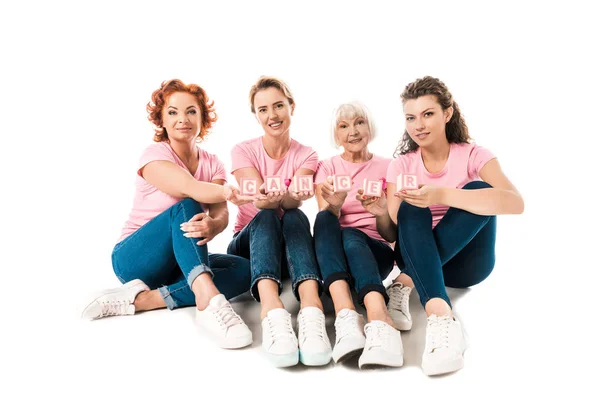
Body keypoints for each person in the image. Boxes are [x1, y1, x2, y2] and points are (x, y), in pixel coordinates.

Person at [82, 79, 255, 350]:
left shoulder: (212, 163)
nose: (182, 119)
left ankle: (143, 300)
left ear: (202, 118)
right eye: (173, 112)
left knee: (246, 269)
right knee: (188, 205)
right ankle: (208, 301)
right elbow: (191, 188)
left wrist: (213, 225)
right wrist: (228, 193)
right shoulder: (154, 155)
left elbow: (221, 214)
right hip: (136, 259)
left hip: (181, 262)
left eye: (191, 111)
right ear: (161, 119)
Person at [368, 76, 524, 375]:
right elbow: (391, 234)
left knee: (479, 189)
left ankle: (405, 283)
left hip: (467, 266)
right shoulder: (401, 164)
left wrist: (440, 194)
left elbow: (515, 203)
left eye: (428, 114)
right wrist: (381, 213)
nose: (419, 125)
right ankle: (441, 316)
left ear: (447, 113)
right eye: (411, 117)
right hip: (414, 256)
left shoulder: (474, 155)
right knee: (412, 207)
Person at [226, 76, 331, 367]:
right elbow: (260, 201)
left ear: (291, 107)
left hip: (288, 250)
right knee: (268, 214)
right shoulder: (243, 150)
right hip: (249, 243)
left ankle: (311, 310)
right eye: (263, 109)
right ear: (256, 115)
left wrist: (289, 195)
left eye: (278, 106)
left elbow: (294, 201)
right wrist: (273, 197)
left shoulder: (307, 154)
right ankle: (272, 310)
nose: (272, 115)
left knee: (295, 214)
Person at [314, 101, 411, 368]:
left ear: (370, 127)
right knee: (326, 220)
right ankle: (347, 314)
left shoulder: (389, 167)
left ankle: (379, 317)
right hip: (336, 261)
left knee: (352, 235)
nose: (353, 131)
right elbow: (325, 224)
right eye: (343, 126)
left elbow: (391, 233)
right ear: (335, 135)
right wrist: (334, 205)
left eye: (359, 122)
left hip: (374, 254)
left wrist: (381, 212)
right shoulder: (326, 168)